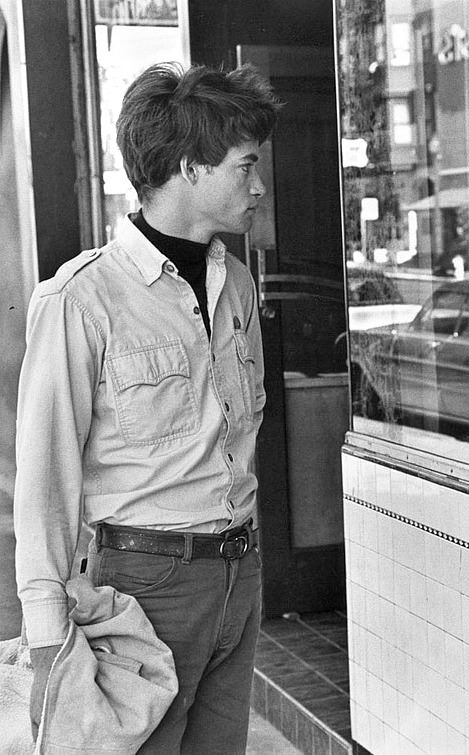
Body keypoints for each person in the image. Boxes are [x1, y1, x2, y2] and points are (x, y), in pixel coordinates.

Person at [14, 62, 280, 752]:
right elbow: (44, 479)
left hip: (239, 572)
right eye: (244, 165)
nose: (258, 187)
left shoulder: (238, 284)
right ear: (190, 167)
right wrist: (46, 635)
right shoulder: (80, 299)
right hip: (144, 588)